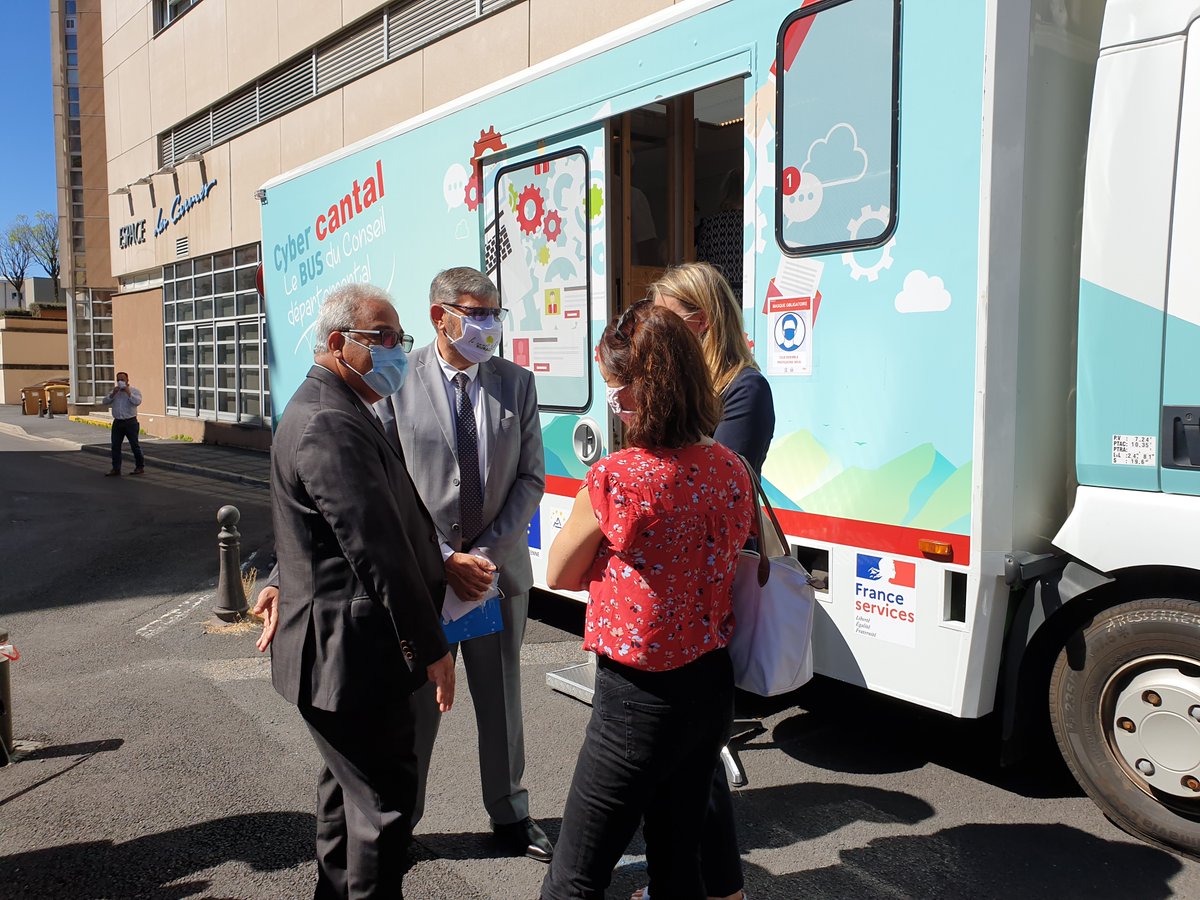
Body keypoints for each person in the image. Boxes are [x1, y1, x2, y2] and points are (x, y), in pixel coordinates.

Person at [540, 301, 756, 900]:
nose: (613, 401)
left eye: (616, 388)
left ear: (646, 390)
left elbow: (558, 570)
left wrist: (611, 567)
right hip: (711, 685)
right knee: (677, 860)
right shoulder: (732, 468)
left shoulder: (620, 478)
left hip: (637, 698)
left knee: (576, 874)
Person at [265, 283, 455, 899]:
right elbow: (376, 548)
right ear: (339, 342)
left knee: (344, 798)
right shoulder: (329, 420)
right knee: (383, 806)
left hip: (339, 655)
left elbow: (318, 529)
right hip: (352, 658)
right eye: (386, 337)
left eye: (401, 336)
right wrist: (432, 646)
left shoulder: (335, 406)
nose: (399, 349)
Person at [374, 266, 551, 862]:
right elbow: (388, 483)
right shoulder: (398, 382)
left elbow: (531, 478)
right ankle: (401, 820)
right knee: (418, 707)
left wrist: (483, 557)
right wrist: (444, 558)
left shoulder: (516, 384)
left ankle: (510, 812)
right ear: (439, 317)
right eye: (476, 314)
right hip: (426, 579)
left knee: (501, 702)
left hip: (496, 577)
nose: (488, 325)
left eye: (494, 313)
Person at [646, 261, 776, 900]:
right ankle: (703, 884)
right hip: (674, 580)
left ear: (700, 319)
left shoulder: (744, 388)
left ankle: (715, 886)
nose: (655, 327)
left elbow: (710, 484)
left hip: (707, 581)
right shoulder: (687, 384)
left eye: (665, 315)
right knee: (685, 748)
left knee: (690, 744)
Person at [695, 171, 744, 294]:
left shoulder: (710, 224)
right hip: (752, 291)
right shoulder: (754, 223)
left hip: (722, 294)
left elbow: (702, 266)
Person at [102, 371, 145, 476]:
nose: (120, 381)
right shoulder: (115, 392)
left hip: (130, 422)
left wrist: (128, 392)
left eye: (122, 379)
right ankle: (116, 468)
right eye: (118, 380)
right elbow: (104, 401)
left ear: (127, 380)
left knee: (134, 445)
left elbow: (137, 402)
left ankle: (139, 467)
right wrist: (113, 394)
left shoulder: (134, 391)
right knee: (115, 446)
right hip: (118, 422)